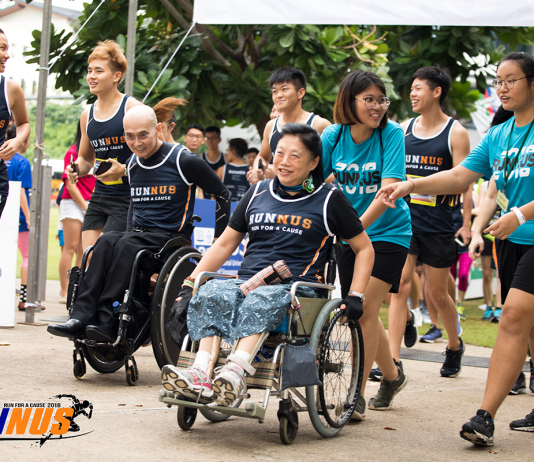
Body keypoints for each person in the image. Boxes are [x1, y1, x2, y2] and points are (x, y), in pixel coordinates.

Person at [376, 51, 534, 447]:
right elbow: (461, 176)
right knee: (528, 327)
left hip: (523, 233)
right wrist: (412, 185)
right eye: (498, 81)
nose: (502, 88)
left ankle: (484, 417)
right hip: (512, 242)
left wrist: (519, 214)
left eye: (511, 80)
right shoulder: (499, 135)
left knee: (513, 316)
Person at [161, 123, 374, 406]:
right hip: (248, 282)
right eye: (279, 153)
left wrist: (356, 295)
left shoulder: (328, 199)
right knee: (212, 291)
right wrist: (191, 283)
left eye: (295, 156)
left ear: (313, 162)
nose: (284, 162)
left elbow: (364, 248)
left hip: (297, 289)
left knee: (263, 296)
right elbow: (224, 244)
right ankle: (200, 372)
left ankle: (235, 373)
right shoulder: (258, 193)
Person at [47, 106, 231, 341]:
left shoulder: (182, 159)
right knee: (105, 242)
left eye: (143, 135)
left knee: (127, 244)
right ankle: (80, 317)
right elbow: (133, 206)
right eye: (130, 136)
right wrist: (126, 233)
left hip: (169, 236)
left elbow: (222, 194)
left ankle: (107, 319)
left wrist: (218, 238)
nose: (136, 143)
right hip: (137, 233)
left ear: (159, 129)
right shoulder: (133, 162)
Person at [321, 70, 412, 419]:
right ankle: (392, 375)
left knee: (365, 310)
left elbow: (388, 193)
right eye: (368, 100)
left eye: (381, 100)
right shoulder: (333, 136)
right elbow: (313, 180)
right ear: (349, 101)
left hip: (389, 232)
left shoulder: (391, 134)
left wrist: (353, 231)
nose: (377, 107)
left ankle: (355, 393)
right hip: (351, 238)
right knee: (364, 314)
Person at [385, 67, 470, 379]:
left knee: (437, 295)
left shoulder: (455, 133)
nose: (412, 94)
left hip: (438, 224)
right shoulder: (403, 129)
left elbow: (463, 182)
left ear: (437, 92)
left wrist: (466, 222)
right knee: (399, 287)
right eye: (411, 88)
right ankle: (393, 361)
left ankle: (454, 344)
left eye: (418, 88)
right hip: (404, 221)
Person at [69, 40, 143, 251]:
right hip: (99, 196)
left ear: (116, 76)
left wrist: (125, 170)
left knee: (103, 255)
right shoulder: (87, 115)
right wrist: (76, 169)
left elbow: (156, 156)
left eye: (99, 71)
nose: (91, 76)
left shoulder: (132, 108)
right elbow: (85, 159)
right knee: (87, 257)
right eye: (89, 70)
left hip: (128, 197)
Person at [247, 68, 330, 183]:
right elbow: (263, 157)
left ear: (300, 93)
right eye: (274, 91)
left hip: (311, 192)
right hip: (279, 192)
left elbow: (338, 163)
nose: (278, 95)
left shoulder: (319, 124)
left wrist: (315, 185)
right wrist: (258, 170)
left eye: (284, 89)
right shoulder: (271, 126)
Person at [58, 122, 96, 304]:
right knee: (70, 247)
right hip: (73, 202)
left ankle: (76, 290)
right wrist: (86, 207)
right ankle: (64, 290)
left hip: (91, 203)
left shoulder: (99, 154)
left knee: (84, 249)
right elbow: (70, 185)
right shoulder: (73, 152)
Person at [0, 29, 31, 219]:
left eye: (7, 48)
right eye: (2, 48)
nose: (7, 55)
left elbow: (24, 123)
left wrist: (17, 141)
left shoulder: (10, 89)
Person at [5, 125, 32, 310]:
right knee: (27, 256)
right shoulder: (22, 162)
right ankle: (24, 299)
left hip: (3, 213)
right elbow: (21, 191)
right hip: (19, 217)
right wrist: (29, 216)